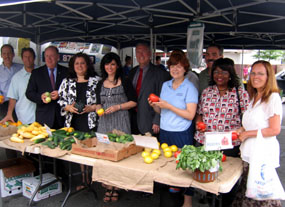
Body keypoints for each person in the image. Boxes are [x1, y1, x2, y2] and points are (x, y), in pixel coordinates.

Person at [195, 58, 249, 206]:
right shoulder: (207, 92)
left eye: (224, 72)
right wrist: (199, 124)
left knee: (227, 180)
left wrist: (243, 139)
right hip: (207, 141)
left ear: (230, 74)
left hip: (229, 144)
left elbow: (248, 120)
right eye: (216, 72)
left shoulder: (240, 93)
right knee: (208, 175)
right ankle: (210, 199)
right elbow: (199, 113)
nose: (219, 75)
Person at [149, 52, 198, 207]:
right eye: (172, 65)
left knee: (184, 168)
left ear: (185, 68)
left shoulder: (189, 87)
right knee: (167, 167)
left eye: (179, 66)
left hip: (182, 133)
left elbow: (190, 115)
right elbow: (162, 111)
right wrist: (156, 107)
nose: (175, 69)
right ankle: (169, 200)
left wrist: (168, 105)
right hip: (165, 132)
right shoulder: (166, 85)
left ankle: (187, 201)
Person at [232, 60, 283, 207]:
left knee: (263, 196)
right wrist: (241, 130)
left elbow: (274, 130)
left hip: (262, 157)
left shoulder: (273, 98)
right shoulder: (254, 97)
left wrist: (247, 134)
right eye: (253, 73)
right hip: (250, 155)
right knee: (250, 195)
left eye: (260, 73)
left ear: (269, 77)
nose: (255, 77)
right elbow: (251, 123)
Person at [96, 52, 137, 202]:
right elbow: (98, 103)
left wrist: (118, 107)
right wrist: (98, 109)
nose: (110, 67)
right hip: (104, 123)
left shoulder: (125, 81)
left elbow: (133, 102)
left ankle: (117, 186)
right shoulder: (100, 83)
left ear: (117, 65)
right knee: (105, 154)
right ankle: (108, 186)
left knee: (119, 154)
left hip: (121, 121)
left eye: (113, 64)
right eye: (107, 64)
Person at [58, 52, 100, 190]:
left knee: (92, 149)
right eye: (77, 63)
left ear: (87, 65)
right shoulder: (67, 82)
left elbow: (102, 102)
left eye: (82, 63)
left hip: (91, 120)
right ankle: (84, 179)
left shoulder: (96, 81)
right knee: (80, 150)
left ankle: (94, 178)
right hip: (74, 121)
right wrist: (68, 107)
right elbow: (60, 100)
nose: (80, 66)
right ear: (72, 66)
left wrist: (92, 108)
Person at [129, 42, 170, 135]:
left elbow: (163, 98)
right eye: (138, 52)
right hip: (132, 118)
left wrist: (157, 119)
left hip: (150, 119)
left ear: (150, 54)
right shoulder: (132, 72)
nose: (141, 55)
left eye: (143, 52)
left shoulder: (161, 74)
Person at [26, 45, 68, 129]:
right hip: (43, 117)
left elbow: (72, 92)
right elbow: (29, 93)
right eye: (46, 56)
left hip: (61, 116)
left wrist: (60, 94)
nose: (49, 59)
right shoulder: (36, 73)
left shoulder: (66, 72)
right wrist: (41, 97)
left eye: (52, 56)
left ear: (57, 57)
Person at [0, 48, 36, 125]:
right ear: (22, 59)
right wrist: (9, 113)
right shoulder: (17, 77)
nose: (28, 59)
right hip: (24, 118)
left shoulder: (42, 73)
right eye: (25, 57)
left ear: (34, 58)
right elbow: (13, 97)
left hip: (42, 116)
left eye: (30, 56)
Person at [0, 44, 22, 120]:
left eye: (9, 53)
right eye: (4, 54)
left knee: (20, 126)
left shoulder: (21, 68)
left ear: (13, 55)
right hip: (4, 104)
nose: (7, 56)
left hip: (19, 104)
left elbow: (34, 68)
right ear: (1, 55)